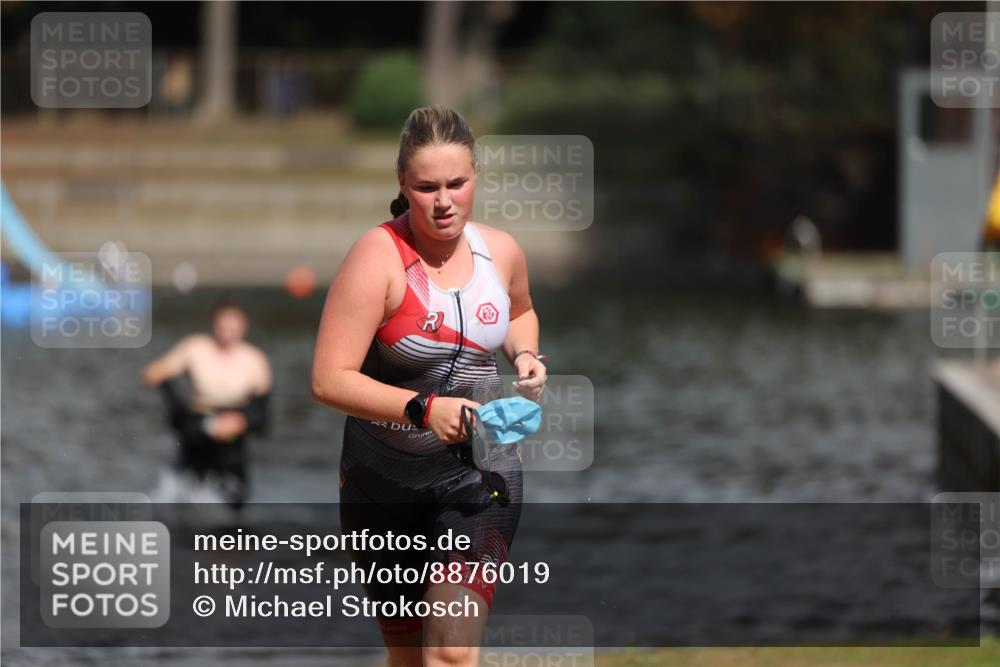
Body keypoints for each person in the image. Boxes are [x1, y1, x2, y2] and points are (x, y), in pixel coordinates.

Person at [311, 106, 547, 666]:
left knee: (451, 654)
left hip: (478, 472)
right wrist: (423, 408)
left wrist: (527, 356)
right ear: (402, 185)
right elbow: (327, 379)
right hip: (380, 483)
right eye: (426, 187)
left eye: (457, 183)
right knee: (410, 658)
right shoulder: (378, 257)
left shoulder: (502, 252)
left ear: (475, 178)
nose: (444, 201)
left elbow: (520, 312)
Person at [142, 298, 272, 509]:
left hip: (233, 437)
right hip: (197, 427)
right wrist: (181, 414)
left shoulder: (255, 360)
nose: (227, 333)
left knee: (235, 501)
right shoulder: (195, 348)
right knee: (184, 495)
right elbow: (153, 375)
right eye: (222, 327)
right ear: (213, 325)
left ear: (243, 327)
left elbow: (263, 415)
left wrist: (241, 421)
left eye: (233, 327)